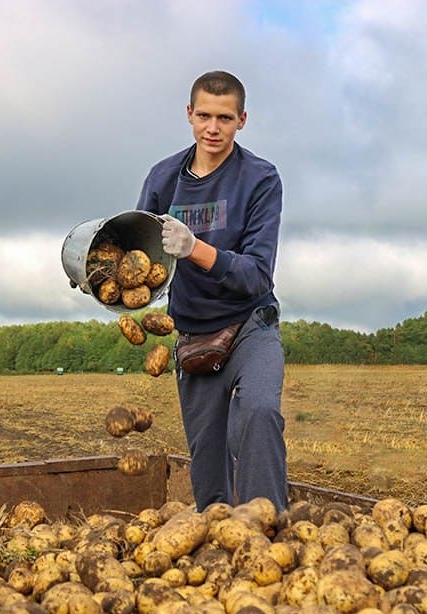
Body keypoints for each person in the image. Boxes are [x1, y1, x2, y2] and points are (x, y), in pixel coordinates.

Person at [136, 70, 287, 513]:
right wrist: (102, 277)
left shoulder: (260, 178)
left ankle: (267, 527)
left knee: (259, 412)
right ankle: (218, 540)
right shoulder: (164, 178)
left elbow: (257, 274)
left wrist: (196, 249)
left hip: (250, 324)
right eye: (204, 115)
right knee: (208, 472)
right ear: (189, 114)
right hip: (194, 335)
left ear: (242, 120)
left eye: (224, 118)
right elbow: (142, 260)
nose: (212, 128)